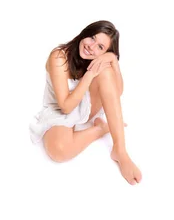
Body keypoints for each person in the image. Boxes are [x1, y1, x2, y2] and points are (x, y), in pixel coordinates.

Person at [29, 20, 142, 185]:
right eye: (92, 38)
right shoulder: (59, 56)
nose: (92, 47)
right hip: (60, 110)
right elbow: (66, 107)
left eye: (101, 47)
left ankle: (120, 150)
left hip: (87, 106)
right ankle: (101, 128)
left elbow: (116, 93)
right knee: (58, 150)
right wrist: (89, 75)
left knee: (106, 71)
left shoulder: (98, 60)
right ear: (85, 33)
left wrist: (113, 61)